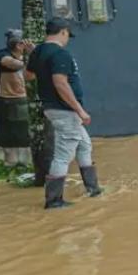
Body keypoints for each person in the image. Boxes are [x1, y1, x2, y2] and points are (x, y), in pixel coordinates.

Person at [27, 17, 102, 209]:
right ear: (63, 32)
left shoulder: (38, 52)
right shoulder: (60, 54)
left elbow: (29, 75)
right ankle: (54, 201)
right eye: (67, 34)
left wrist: (35, 56)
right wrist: (80, 110)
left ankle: (93, 189)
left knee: (84, 145)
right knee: (63, 155)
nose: (67, 38)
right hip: (65, 110)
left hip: (53, 108)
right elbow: (60, 83)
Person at [0, 29, 34, 166]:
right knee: (6, 129)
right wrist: (33, 58)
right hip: (3, 98)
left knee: (24, 128)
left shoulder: (25, 57)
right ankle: (10, 161)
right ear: (19, 45)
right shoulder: (3, 55)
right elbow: (11, 63)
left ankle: (25, 162)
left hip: (20, 98)